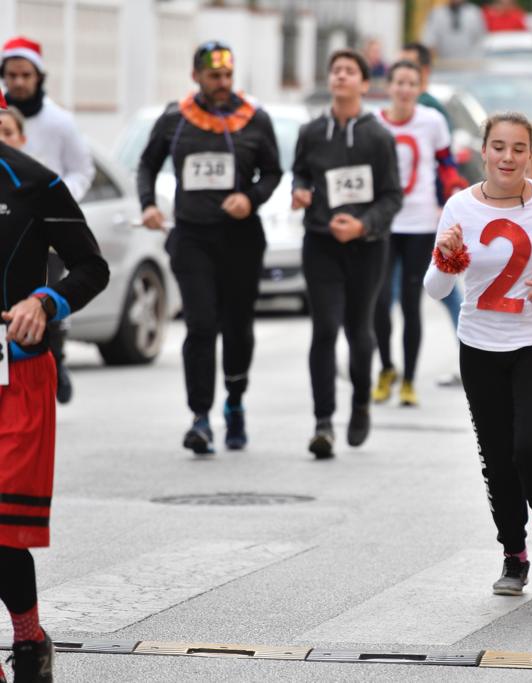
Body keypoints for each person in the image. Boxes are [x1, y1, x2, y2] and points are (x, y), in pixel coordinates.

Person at [424, 112, 532, 596]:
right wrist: (446, 257)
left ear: (530, 155)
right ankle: (513, 555)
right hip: (480, 346)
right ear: (483, 152)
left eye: (518, 148)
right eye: (498, 147)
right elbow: (435, 289)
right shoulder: (458, 207)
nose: (508, 157)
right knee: (496, 456)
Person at [0, 89, 109, 683]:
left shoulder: (33, 182)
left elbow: (92, 266)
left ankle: (28, 639)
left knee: (1, 530)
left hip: (16, 374)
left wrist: (47, 300)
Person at [137, 41, 282, 455]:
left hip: (240, 239)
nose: (221, 84)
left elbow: (273, 172)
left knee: (237, 327)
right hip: (192, 236)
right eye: (213, 76)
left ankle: (234, 401)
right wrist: (148, 203)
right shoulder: (175, 119)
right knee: (201, 325)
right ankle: (200, 417)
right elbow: (148, 163)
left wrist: (250, 198)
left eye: (227, 76)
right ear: (195, 75)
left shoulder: (255, 119)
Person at [292, 49, 402, 457]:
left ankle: (360, 403)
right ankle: (323, 422)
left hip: (366, 247)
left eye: (349, 71)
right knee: (324, 328)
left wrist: (362, 224)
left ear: (363, 82)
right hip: (320, 241)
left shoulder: (378, 136)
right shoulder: (312, 132)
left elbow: (393, 197)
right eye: (335, 70)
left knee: (359, 329)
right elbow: (301, 171)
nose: (340, 76)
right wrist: (300, 191)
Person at [2, 36, 96, 405]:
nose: (20, 81)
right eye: (12, 74)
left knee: (46, 286)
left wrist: (57, 205)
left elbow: (82, 170)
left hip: (46, 220)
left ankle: (58, 354)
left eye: (26, 74)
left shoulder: (60, 121)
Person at [371, 60, 465, 407]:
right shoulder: (375, 124)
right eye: (399, 82)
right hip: (382, 223)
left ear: (419, 86)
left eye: (412, 83)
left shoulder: (432, 121)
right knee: (380, 302)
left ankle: (409, 380)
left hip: (421, 222)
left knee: (411, 302)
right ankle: (385, 368)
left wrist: (450, 195)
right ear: (389, 85)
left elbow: (447, 164)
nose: (405, 89)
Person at [399, 42, 466, 387]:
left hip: (425, 220)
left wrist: (445, 204)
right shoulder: (388, 114)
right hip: (392, 223)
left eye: (410, 71)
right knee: (387, 291)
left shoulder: (432, 113)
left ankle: (467, 352)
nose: (403, 80)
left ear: (422, 75)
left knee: (443, 290)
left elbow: (445, 164)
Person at [420, 0, 487, 61]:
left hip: (472, 66)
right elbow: (428, 42)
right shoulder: (437, 14)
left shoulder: (475, 13)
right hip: (446, 66)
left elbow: (482, 40)